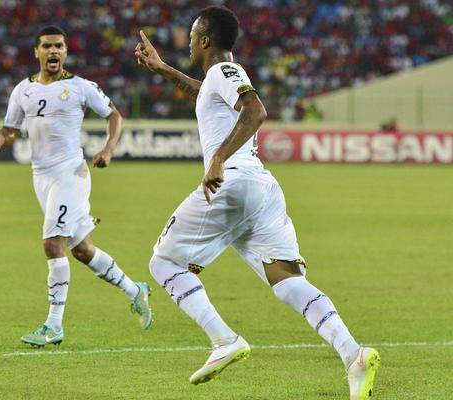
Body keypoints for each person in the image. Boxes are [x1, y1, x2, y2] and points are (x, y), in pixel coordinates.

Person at [135, 6, 379, 398]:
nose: (191, 41)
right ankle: (354, 355)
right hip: (261, 189)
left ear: (206, 40)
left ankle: (224, 340)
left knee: (163, 261)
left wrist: (217, 158)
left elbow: (256, 110)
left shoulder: (223, 71)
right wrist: (163, 70)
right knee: (287, 281)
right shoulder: (218, 78)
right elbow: (209, 95)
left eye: (194, 35)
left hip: (233, 183)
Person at [0, 25, 153, 347]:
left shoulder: (81, 87)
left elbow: (115, 115)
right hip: (41, 178)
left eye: (59, 46)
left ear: (66, 51)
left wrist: (107, 149)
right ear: (36, 52)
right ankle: (136, 291)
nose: (53, 51)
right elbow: (10, 129)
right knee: (82, 250)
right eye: (47, 46)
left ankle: (53, 326)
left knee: (52, 245)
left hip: (70, 174)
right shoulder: (23, 90)